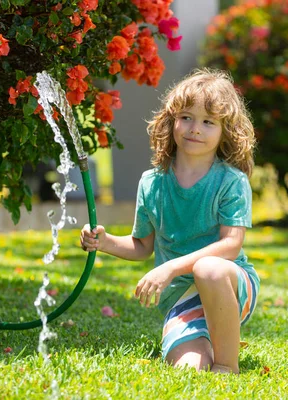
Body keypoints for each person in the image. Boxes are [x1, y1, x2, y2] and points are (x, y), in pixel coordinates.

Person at [81, 68, 259, 374]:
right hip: (181, 296)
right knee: (187, 369)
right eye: (187, 117)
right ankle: (206, 341)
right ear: (172, 120)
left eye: (208, 122)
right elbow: (141, 246)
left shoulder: (231, 181)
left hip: (228, 283)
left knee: (208, 268)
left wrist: (171, 267)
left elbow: (231, 245)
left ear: (224, 130)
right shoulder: (152, 183)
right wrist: (105, 241)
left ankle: (226, 366)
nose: (195, 129)